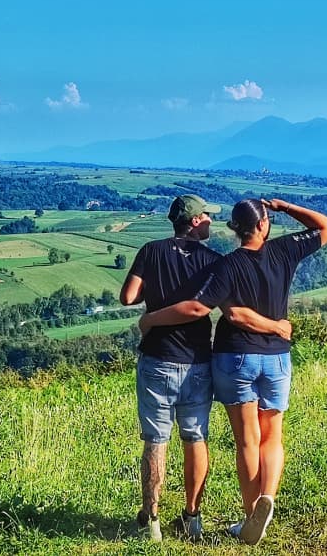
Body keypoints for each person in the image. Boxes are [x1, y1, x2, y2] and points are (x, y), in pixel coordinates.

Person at [138, 198, 327, 545]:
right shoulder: (284, 251)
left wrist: (151, 319)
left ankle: (250, 515)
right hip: (276, 358)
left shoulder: (226, 266)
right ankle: (267, 499)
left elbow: (216, 311)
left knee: (247, 440)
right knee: (272, 435)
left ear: (234, 228)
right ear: (263, 225)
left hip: (234, 358)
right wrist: (284, 207)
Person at [120, 194, 289, 542]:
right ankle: (192, 518)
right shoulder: (214, 261)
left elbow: (129, 297)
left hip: (156, 358)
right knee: (195, 438)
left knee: (156, 440)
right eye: (207, 217)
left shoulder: (151, 250)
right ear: (195, 221)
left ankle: (151, 520)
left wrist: (153, 309)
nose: (212, 221)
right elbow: (225, 309)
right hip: (197, 360)